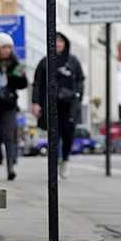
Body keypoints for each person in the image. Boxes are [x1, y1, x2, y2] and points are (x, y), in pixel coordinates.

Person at [31, 31, 84, 180]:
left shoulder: (73, 62)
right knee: (53, 134)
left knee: (68, 134)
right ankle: (55, 160)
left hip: (69, 105)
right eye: (55, 42)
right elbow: (37, 84)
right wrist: (35, 102)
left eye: (60, 42)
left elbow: (80, 80)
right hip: (50, 104)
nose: (58, 45)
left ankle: (65, 159)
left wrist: (78, 96)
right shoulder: (45, 62)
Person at [0, 32, 29, 180]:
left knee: (8, 135)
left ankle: (10, 167)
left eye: (9, 47)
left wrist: (16, 76)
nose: (7, 50)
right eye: (4, 47)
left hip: (9, 104)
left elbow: (23, 84)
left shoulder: (16, 64)